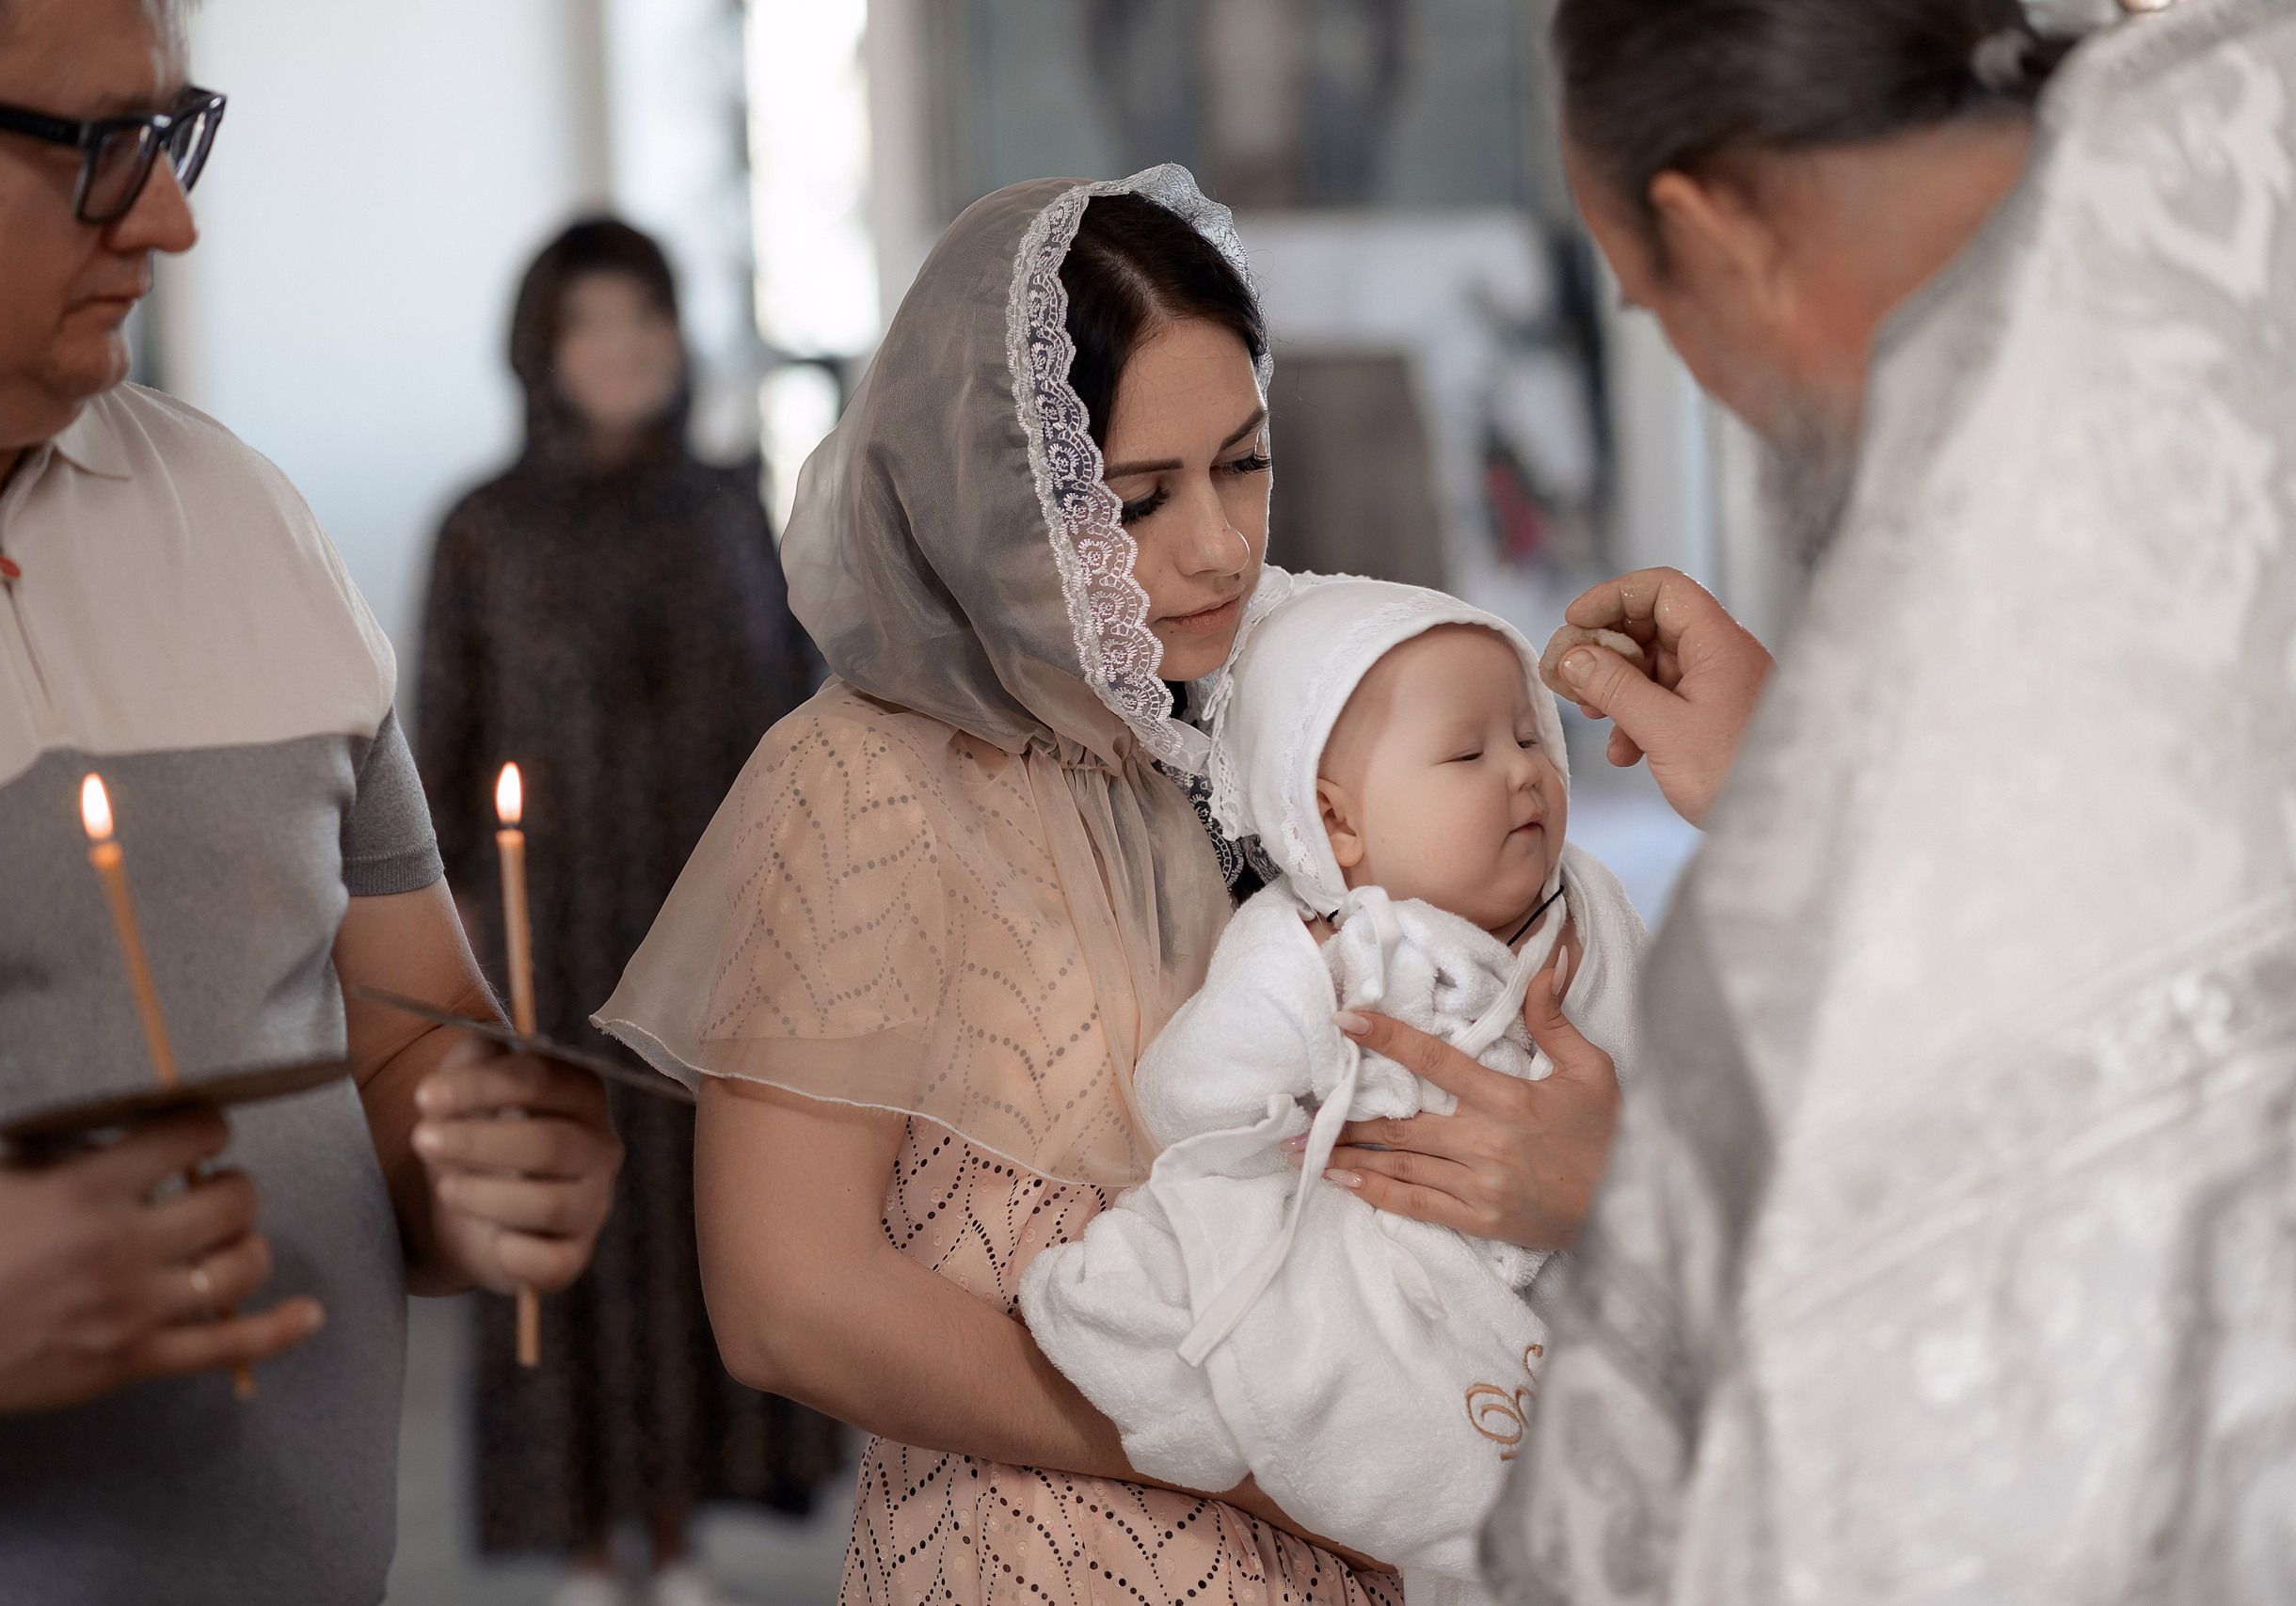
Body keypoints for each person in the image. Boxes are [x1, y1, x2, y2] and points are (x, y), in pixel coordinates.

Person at [598, 167, 1622, 1601]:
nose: (1215, 543)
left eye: (1244, 462)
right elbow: (791, 1300)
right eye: (1135, 496)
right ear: (998, 498)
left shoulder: (1266, 714)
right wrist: (1249, 1453)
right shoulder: (866, 778)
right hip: (1052, 1551)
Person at [1472, 0, 2296, 1599]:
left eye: (1652, 306)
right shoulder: (2227, 183)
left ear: (1717, 236)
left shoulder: (1911, 714)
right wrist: (1801, 757)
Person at [0, 3, 621, 1602]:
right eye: (99, 147)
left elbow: (408, 1038)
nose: (172, 215)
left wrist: (487, 1166)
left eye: (172, 132)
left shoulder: (244, 514)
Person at [1020, 576, 1650, 1603]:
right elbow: (1191, 1096)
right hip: (1394, 1241)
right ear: (1338, 824)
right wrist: (1290, 1125)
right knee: (1357, 1371)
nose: (1522, 774)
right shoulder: (1312, 950)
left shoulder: (1591, 908)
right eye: (1466, 752)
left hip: (1570, 1242)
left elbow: (1654, 1063)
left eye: (1530, 738)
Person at [416, 218, 834, 1606]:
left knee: (699, 1225)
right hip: (557, 939)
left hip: (711, 932)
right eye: (591, 323)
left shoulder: (725, 505)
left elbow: (792, 718)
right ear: (545, 347)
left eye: (645, 318)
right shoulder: (481, 527)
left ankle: (676, 1533)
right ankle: (594, 1547)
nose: (623, 348)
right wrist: (463, 949)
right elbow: (444, 756)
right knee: (578, 1232)